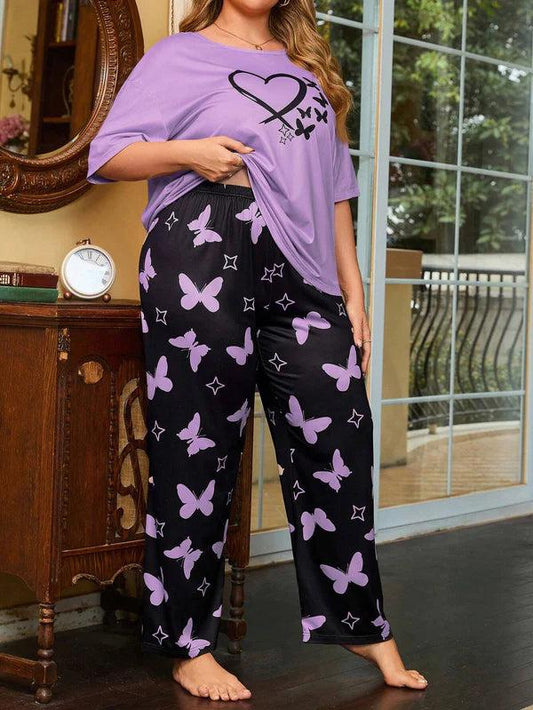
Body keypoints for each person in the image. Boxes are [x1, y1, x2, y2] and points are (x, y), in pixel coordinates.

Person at [86, 0, 428, 702]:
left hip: (302, 265)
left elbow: (335, 189)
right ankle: (187, 643)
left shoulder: (308, 67)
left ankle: (358, 620)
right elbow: (108, 154)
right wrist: (189, 153)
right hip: (201, 246)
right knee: (197, 445)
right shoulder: (178, 56)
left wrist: (352, 291)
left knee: (337, 436)